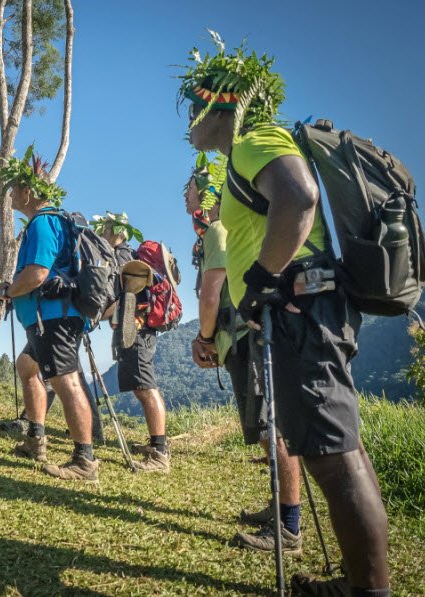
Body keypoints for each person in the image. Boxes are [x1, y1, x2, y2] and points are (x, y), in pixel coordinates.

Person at [180, 35, 389, 596]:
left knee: (333, 455)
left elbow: (298, 199)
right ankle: (358, 583)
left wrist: (263, 280)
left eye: (190, 112)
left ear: (215, 104)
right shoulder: (250, 150)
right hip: (305, 307)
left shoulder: (252, 140)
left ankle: (365, 590)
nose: (188, 129)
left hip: (302, 307)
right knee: (336, 448)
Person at [185, 155, 303, 555]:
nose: (185, 197)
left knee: (274, 427)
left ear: (206, 194)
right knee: (270, 425)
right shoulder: (222, 230)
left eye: (189, 189)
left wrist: (203, 339)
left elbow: (211, 293)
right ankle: (280, 509)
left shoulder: (217, 229)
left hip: (245, 338)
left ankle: (289, 526)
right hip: (245, 336)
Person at [0, 146, 98, 481]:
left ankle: (85, 460)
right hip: (45, 317)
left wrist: (9, 290)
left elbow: (37, 274)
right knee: (27, 367)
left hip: (52, 317)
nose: (10, 195)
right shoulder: (49, 220)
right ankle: (35, 438)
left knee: (65, 380)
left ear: (27, 191)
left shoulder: (42, 223)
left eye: (14, 189)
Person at [93, 212, 171, 473]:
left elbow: (119, 296)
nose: (101, 232)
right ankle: (156, 443)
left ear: (115, 231)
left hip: (137, 331)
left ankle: (160, 453)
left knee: (147, 388)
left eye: (104, 228)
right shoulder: (127, 255)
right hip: (138, 330)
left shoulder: (123, 257)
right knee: (142, 387)